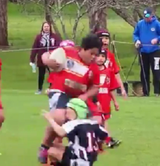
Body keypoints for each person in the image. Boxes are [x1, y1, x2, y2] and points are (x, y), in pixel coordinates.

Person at [38, 34, 101, 164]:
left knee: (91, 122)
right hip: (60, 91)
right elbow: (45, 55)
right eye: (92, 53)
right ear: (83, 49)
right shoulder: (68, 52)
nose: (94, 57)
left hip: (77, 98)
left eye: (96, 54)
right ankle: (44, 147)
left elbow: (95, 87)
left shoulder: (93, 67)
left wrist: (85, 96)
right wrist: (47, 60)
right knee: (59, 118)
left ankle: (71, 152)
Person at [42, 98, 108, 166]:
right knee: (59, 147)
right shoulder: (93, 123)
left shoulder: (74, 123)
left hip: (78, 160)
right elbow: (105, 134)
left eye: (68, 108)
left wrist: (50, 119)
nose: (66, 111)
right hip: (90, 160)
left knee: (52, 151)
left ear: (75, 110)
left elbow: (60, 132)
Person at [133, 7, 160, 97]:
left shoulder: (157, 24)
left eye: (148, 16)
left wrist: (157, 39)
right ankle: (145, 92)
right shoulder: (140, 24)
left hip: (155, 51)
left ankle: (157, 91)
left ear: (152, 15)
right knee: (144, 72)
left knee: (155, 70)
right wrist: (137, 40)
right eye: (145, 16)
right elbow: (135, 34)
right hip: (143, 51)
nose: (146, 18)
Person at [92, 49, 121, 148]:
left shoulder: (109, 71)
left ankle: (106, 140)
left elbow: (111, 88)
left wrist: (115, 102)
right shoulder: (91, 71)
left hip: (105, 101)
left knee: (104, 121)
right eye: (98, 56)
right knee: (96, 120)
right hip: (94, 101)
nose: (100, 58)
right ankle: (104, 140)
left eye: (103, 56)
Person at [30, 22, 61, 94]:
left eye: (47, 26)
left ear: (50, 27)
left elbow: (59, 47)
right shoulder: (39, 37)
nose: (46, 28)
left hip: (52, 58)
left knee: (52, 74)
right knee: (41, 74)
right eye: (45, 26)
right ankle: (39, 89)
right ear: (42, 28)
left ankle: (52, 88)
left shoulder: (54, 37)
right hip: (41, 59)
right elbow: (35, 48)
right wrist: (32, 59)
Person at [94, 29, 127, 98]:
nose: (105, 40)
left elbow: (116, 72)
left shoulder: (110, 55)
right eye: (102, 38)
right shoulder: (92, 53)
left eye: (107, 38)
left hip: (107, 86)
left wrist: (122, 88)